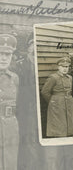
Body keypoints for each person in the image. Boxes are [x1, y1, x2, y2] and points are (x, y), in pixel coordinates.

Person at [41, 57, 73, 137]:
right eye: (63, 67)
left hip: (68, 102)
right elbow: (45, 92)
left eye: (67, 67)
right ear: (58, 67)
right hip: (57, 104)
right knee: (58, 126)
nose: (65, 69)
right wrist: (53, 101)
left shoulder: (70, 78)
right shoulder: (53, 77)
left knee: (68, 124)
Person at [0, 34, 19, 170]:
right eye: (0, 53)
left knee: (10, 162)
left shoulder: (15, 78)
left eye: (8, 54)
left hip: (11, 127)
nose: (4, 58)